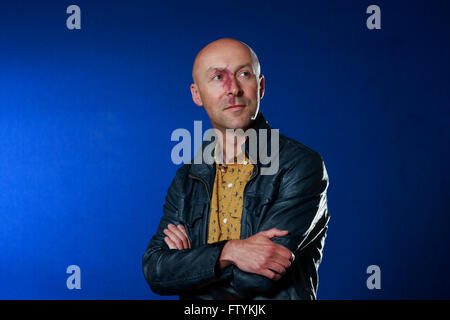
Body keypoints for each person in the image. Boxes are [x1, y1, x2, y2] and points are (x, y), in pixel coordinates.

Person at [142, 38, 330, 300]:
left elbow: (257, 278)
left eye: (243, 74)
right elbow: (156, 271)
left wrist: (191, 266)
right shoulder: (187, 178)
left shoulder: (299, 165)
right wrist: (230, 252)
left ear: (260, 86)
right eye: (218, 77)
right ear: (197, 94)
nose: (233, 89)